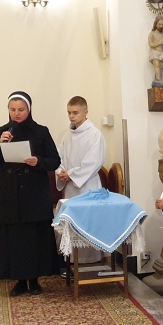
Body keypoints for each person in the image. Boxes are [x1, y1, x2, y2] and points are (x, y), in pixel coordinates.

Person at [0, 91, 61, 296]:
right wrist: (1, 145)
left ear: (29, 110)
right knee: (14, 240)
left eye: (21, 109)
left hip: (34, 194)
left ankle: (34, 281)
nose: (16, 113)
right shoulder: (0, 132)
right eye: (13, 109)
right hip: (9, 195)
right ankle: (18, 281)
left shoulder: (41, 131)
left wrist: (38, 161)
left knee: (33, 238)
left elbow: (55, 161)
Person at [55, 96, 106, 263]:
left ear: (86, 112)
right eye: (69, 112)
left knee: (88, 224)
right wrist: (61, 172)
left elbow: (94, 162)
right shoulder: (67, 135)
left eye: (75, 112)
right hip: (70, 188)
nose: (71, 116)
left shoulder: (95, 134)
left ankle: (91, 260)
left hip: (88, 187)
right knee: (72, 224)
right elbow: (58, 158)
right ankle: (71, 261)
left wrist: (70, 174)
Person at [148, 15, 163, 81]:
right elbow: (151, 44)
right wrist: (160, 42)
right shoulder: (152, 33)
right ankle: (158, 80)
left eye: (162, 24)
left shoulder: (162, 33)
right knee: (157, 64)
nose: (161, 26)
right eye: (159, 24)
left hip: (161, 53)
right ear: (155, 24)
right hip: (154, 53)